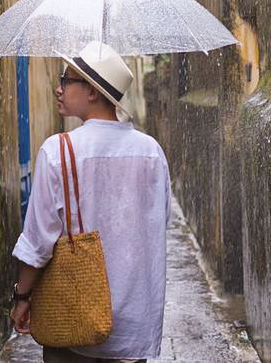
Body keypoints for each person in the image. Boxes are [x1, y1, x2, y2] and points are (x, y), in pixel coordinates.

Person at [9, 41, 171, 363]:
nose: (58, 88)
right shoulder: (151, 152)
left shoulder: (58, 151)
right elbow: (156, 226)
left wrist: (22, 296)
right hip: (134, 326)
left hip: (75, 318)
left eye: (67, 79)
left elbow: (39, 242)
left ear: (93, 91)